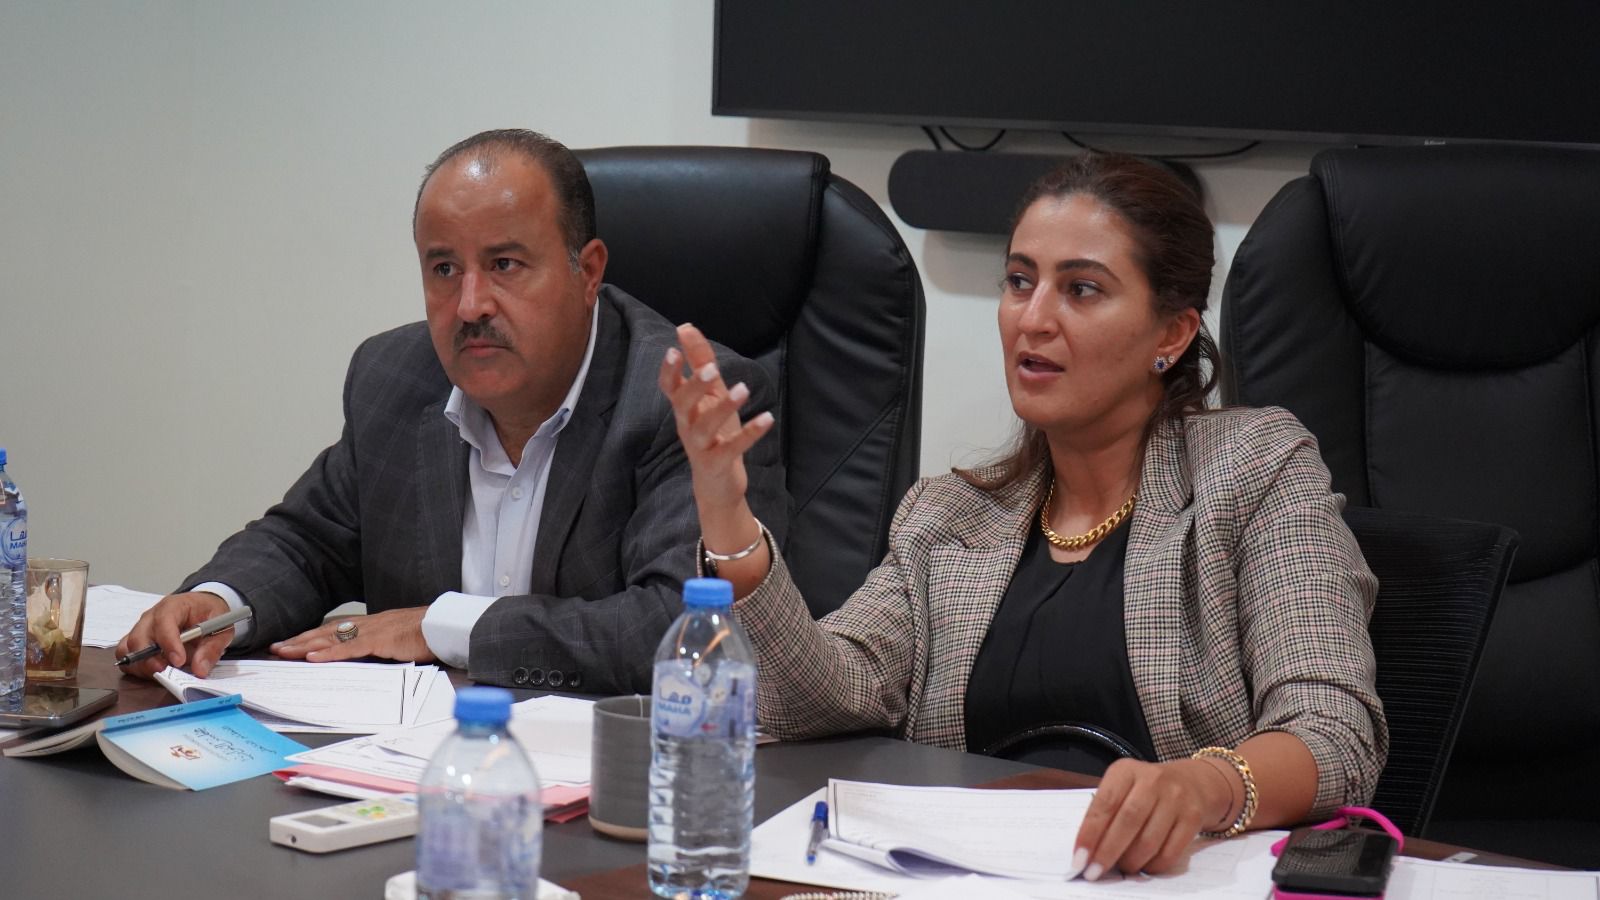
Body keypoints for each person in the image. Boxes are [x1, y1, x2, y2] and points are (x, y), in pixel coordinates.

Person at [660, 153, 1386, 878]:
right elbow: (817, 699)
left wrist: (1202, 787)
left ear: (1172, 334)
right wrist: (727, 510)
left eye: (1082, 289)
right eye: (1019, 281)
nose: (1033, 318)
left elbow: (1335, 735)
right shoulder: (948, 514)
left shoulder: (1254, 469)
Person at [116, 129, 785, 694]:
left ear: (587, 273)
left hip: (612, 779)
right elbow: (308, 541)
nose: (470, 305)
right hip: (401, 768)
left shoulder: (686, 399)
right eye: (443, 269)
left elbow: (685, 628)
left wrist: (440, 627)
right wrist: (218, 603)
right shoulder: (395, 377)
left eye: (504, 264)